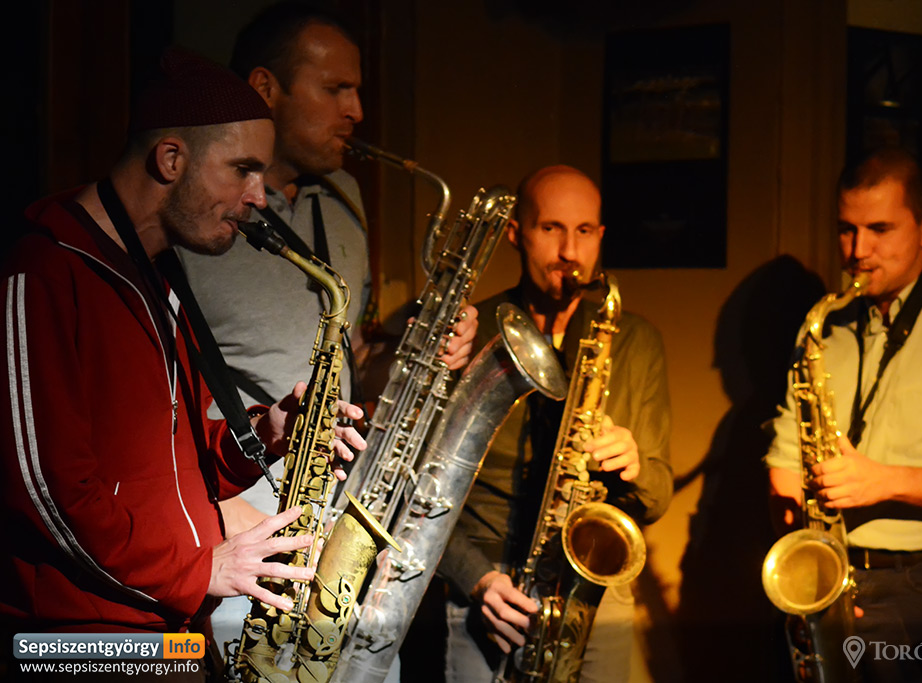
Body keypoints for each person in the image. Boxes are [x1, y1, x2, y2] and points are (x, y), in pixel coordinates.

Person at [0, 48, 367, 648]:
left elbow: (177, 473)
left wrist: (268, 431)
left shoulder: (160, 278)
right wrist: (196, 572)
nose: (258, 196)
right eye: (242, 169)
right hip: (83, 642)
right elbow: (45, 493)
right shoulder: (43, 271)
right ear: (171, 159)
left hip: (171, 630)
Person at [176, 2, 477, 656]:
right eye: (336, 88)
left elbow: (353, 357)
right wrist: (215, 517)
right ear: (266, 89)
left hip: (338, 519)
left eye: (357, 90)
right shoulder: (193, 215)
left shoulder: (344, 198)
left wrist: (422, 348)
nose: (357, 110)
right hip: (243, 529)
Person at [765, 147, 922, 681]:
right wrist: (809, 569)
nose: (858, 251)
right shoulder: (824, 326)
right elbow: (786, 459)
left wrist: (883, 482)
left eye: (880, 230)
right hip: (838, 577)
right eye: (847, 230)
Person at [438, 165, 673, 683]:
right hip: (491, 590)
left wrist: (634, 467)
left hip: (592, 583)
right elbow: (424, 489)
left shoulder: (635, 340)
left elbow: (658, 497)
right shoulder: (472, 333)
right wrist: (474, 578)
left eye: (584, 231)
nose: (570, 251)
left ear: (601, 235)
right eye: (551, 228)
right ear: (515, 234)